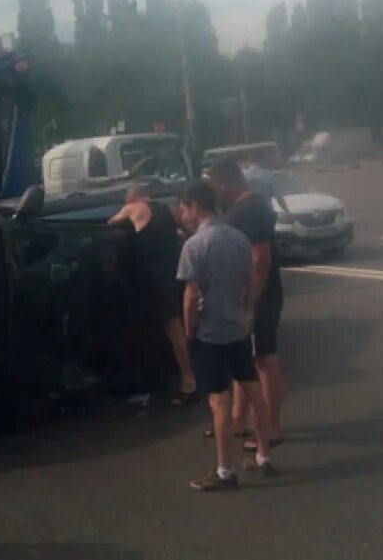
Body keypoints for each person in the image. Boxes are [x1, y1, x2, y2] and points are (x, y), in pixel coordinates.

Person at [177, 180, 276, 491]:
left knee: (219, 401)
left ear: (194, 206)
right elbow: (252, 279)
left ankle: (224, 471)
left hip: (210, 333)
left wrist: (190, 330)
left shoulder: (194, 245)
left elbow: (191, 297)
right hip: (237, 328)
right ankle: (263, 456)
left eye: (184, 208)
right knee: (251, 388)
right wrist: (246, 313)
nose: (183, 215)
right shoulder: (239, 238)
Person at [207, 158, 286, 453]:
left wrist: (252, 300)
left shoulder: (251, 209)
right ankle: (238, 421)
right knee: (245, 359)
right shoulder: (241, 207)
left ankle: (272, 428)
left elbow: (260, 259)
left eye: (215, 186)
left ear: (225, 183)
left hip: (258, 298)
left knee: (264, 361)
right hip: (245, 298)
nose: (216, 192)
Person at [108, 181, 198, 404]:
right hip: (175, 276)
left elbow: (110, 227)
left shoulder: (133, 208)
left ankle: (189, 381)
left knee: (172, 331)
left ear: (132, 197)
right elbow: (189, 232)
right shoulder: (169, 211)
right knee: (182, 327)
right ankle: (192, 374)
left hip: (154, 282)